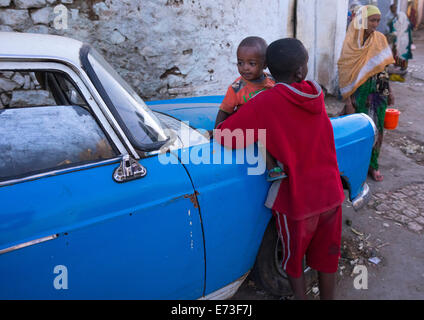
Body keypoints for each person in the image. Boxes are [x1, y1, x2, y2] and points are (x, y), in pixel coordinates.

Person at [215, 38, 345, 300]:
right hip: (331, 194)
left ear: (267, 69)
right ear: (300, 72)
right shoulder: (315, 94)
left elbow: (225, 136)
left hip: (298, 202)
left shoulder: (264, 104)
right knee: (328, 255)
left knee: (294, 260)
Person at [214, 36, 286, 181]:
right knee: (261, 135)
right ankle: (272, 167)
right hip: (248, 125)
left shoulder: (272, 81)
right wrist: (217, 130)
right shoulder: (237, 88)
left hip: (268, 122)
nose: (245, 68)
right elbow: (225, 109)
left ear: (264, 64)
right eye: (240, 63)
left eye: (251, 63)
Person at [338, 5, 395, 182]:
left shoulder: (380, 39)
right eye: (372, 20)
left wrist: (390, 90)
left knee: (376, 130)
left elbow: (384, 67)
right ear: (362, 20)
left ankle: (373, 165)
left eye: (377, 20)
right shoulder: (351, 42)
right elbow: (345, 70)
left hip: (379, 93)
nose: (376, 24)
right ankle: (355, 166)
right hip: (358, 93)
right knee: (357, 130)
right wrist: (348, 99)